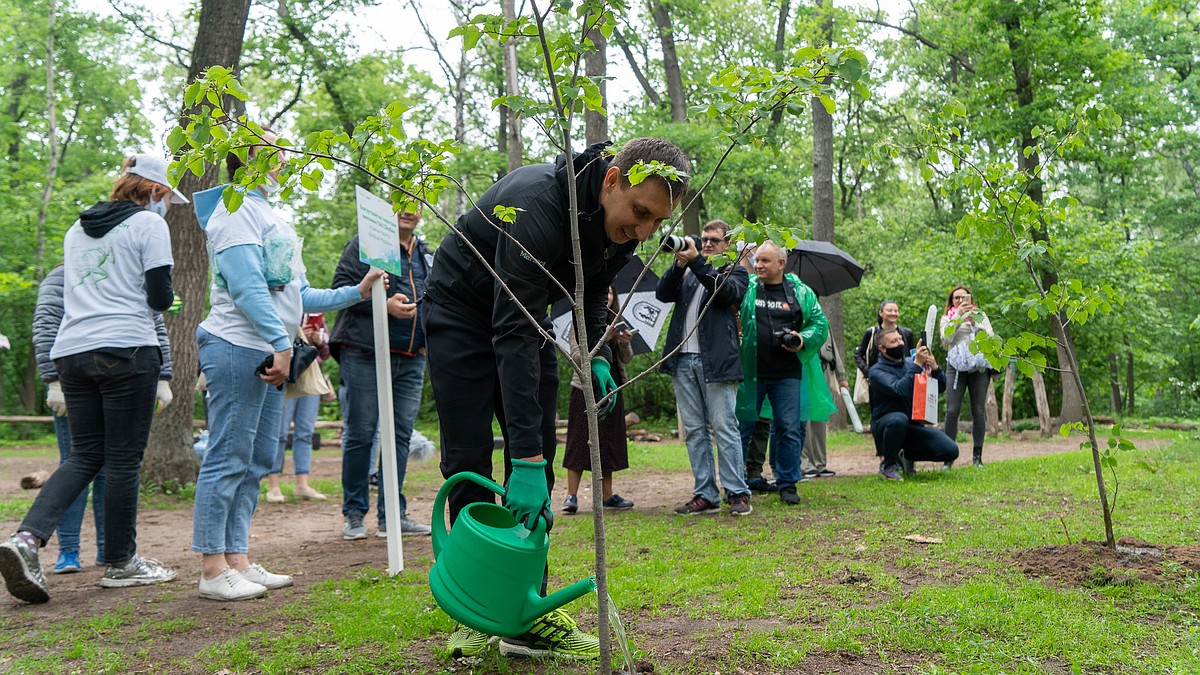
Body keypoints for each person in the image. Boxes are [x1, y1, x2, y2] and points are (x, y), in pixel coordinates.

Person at [423, 138, 690, 660]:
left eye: (656, 222)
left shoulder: (622, 225)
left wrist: (591, 352)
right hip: (460, 311)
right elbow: (510, 332)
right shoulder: (539, 203)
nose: (644, 232)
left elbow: (593, 287)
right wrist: (521, 457)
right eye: (640, 214)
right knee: (471, 455)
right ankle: (476, 610)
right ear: (611, 180)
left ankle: (525, 608)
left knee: (538, 456)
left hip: (525, 315)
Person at [191, 130, 384, 602]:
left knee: (258, 459)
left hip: (266, 347)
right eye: (272, 150)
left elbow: (297, 295)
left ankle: (237, 559)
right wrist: (281, 343)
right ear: (247, 158)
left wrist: (354, 293)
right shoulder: (234, 210)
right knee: (227, 456)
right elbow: (246, 286)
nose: (282, 157)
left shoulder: (270, 215)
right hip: (237, 345)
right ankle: (212, 568)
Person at [0, 154, 184, 603]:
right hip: (126, 349)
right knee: (122, 460)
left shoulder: (75, 229)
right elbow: (160, 296)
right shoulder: (149, 225)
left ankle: (25, 540)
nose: (169, 208)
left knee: (84, 455)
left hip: (73, 352)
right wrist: (166, 296)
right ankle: (122, 563)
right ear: (155, 190)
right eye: (168, 198)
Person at [32, 264, 175, 573]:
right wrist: (52, 381)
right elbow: (46, 324)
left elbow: (155, 321)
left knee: (113, 468)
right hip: (74, 377)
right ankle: (68, 551)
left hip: (120, 374)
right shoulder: (62, 275)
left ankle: (108, 549)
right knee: (77, 462)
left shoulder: (127, 273)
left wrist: (163, 376)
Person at [328, 204, 434, 540]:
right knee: (361, 433)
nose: (408, 210)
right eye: (400, 203)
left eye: (415, 204)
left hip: (411, 355)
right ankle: (354, 515)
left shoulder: (425, 253)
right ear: (388, 209)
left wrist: (429, 338)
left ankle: (393, 515)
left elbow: (435, 297)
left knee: (400, 436)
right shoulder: (368, 243)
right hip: (365, 351)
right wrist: (381, 303)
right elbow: (341, 288)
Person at [655, 219, 751, 516]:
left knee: (724, 427)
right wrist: (678, 265)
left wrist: (696, 260)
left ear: (727, 245)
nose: (707, 244)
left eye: (714, 240)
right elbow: (662, 293)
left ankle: (737, 492)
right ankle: (705, 493)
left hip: (717, 361)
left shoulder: (735, 271)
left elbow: (726, 293)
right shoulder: (689, 273)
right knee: (695, 431)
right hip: (682, 359)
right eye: (704, 239)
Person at [735, 240, 831, 506]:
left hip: (788, 374)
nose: (758, 265)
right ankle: (735, 485)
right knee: (742, 427)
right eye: (757, 260)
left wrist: (802, 339)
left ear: (781, 263)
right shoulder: (749, 287)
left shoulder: (800, 291)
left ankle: (787, 483)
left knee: (788, 428)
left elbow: (819, 323)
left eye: (765, 261)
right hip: (751, 371)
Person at [562, 287, 635, 514]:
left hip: (612, 386)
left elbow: (627, 359)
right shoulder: (580, 321)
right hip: (585, 387)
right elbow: (575, 355)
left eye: (611, 294)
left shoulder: (616, 320)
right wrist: (603, 338)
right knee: (578, 440)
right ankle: (571, 496)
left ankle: (607, 496)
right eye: (605, 293)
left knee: (608, 442)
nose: (608, 297)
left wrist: (623, 342)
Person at [868, 329, 959, 479]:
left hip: (912, 427)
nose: (900, 343)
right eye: (894, 341)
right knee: (898, 419)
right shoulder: (876, 371)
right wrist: (917, 365)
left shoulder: (910, 363)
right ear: (882, 349)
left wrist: (935, 368)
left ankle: (905, 456)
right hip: (886, 425)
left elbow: (940, 388)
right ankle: (888, 466)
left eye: (900, 339)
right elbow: (899, 390)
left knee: (951, 450)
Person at [265, 313, 329, 504]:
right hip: (285, 372)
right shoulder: (280, 310)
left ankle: (302, 484)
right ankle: (273, 485)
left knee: (306, 432)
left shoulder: (316, 316)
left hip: (310, 374)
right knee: (279, 432)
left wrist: (317, 341)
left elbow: (325, 352)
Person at [939, 285, 995, 467]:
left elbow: (991, 337)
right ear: (951, 301)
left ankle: (977, 457)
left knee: (978, 411)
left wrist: (974, 323)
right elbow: (946, 339)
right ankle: (948, 457)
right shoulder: (947, 318)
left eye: (964, 297)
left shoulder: (980, 316)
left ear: (971, 298)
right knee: (952, 410)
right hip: (955, 368)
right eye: (956, 298)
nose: (960, 300)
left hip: (978, 368)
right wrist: (958, 317)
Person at [854, 300, 915, 458]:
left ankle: (905, 452)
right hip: (879, 381)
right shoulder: (872, 332)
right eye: (889, 310)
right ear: (881, 313)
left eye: (896, 310)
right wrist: (869, 372)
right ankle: (882, 450)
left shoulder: (906, 333)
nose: (893, 313)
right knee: (878, 414)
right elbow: (858, 354)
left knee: (906, 412)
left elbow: (911, 355)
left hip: (902, 378)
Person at [802, 330, 850, 478]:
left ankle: (820, 463)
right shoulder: (795, 313)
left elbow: (833, 348)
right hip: (803, 369)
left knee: (820, 416)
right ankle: (805, 464)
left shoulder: (820, 319)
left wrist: (841, 376)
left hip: (823, 370)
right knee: (804, 417)